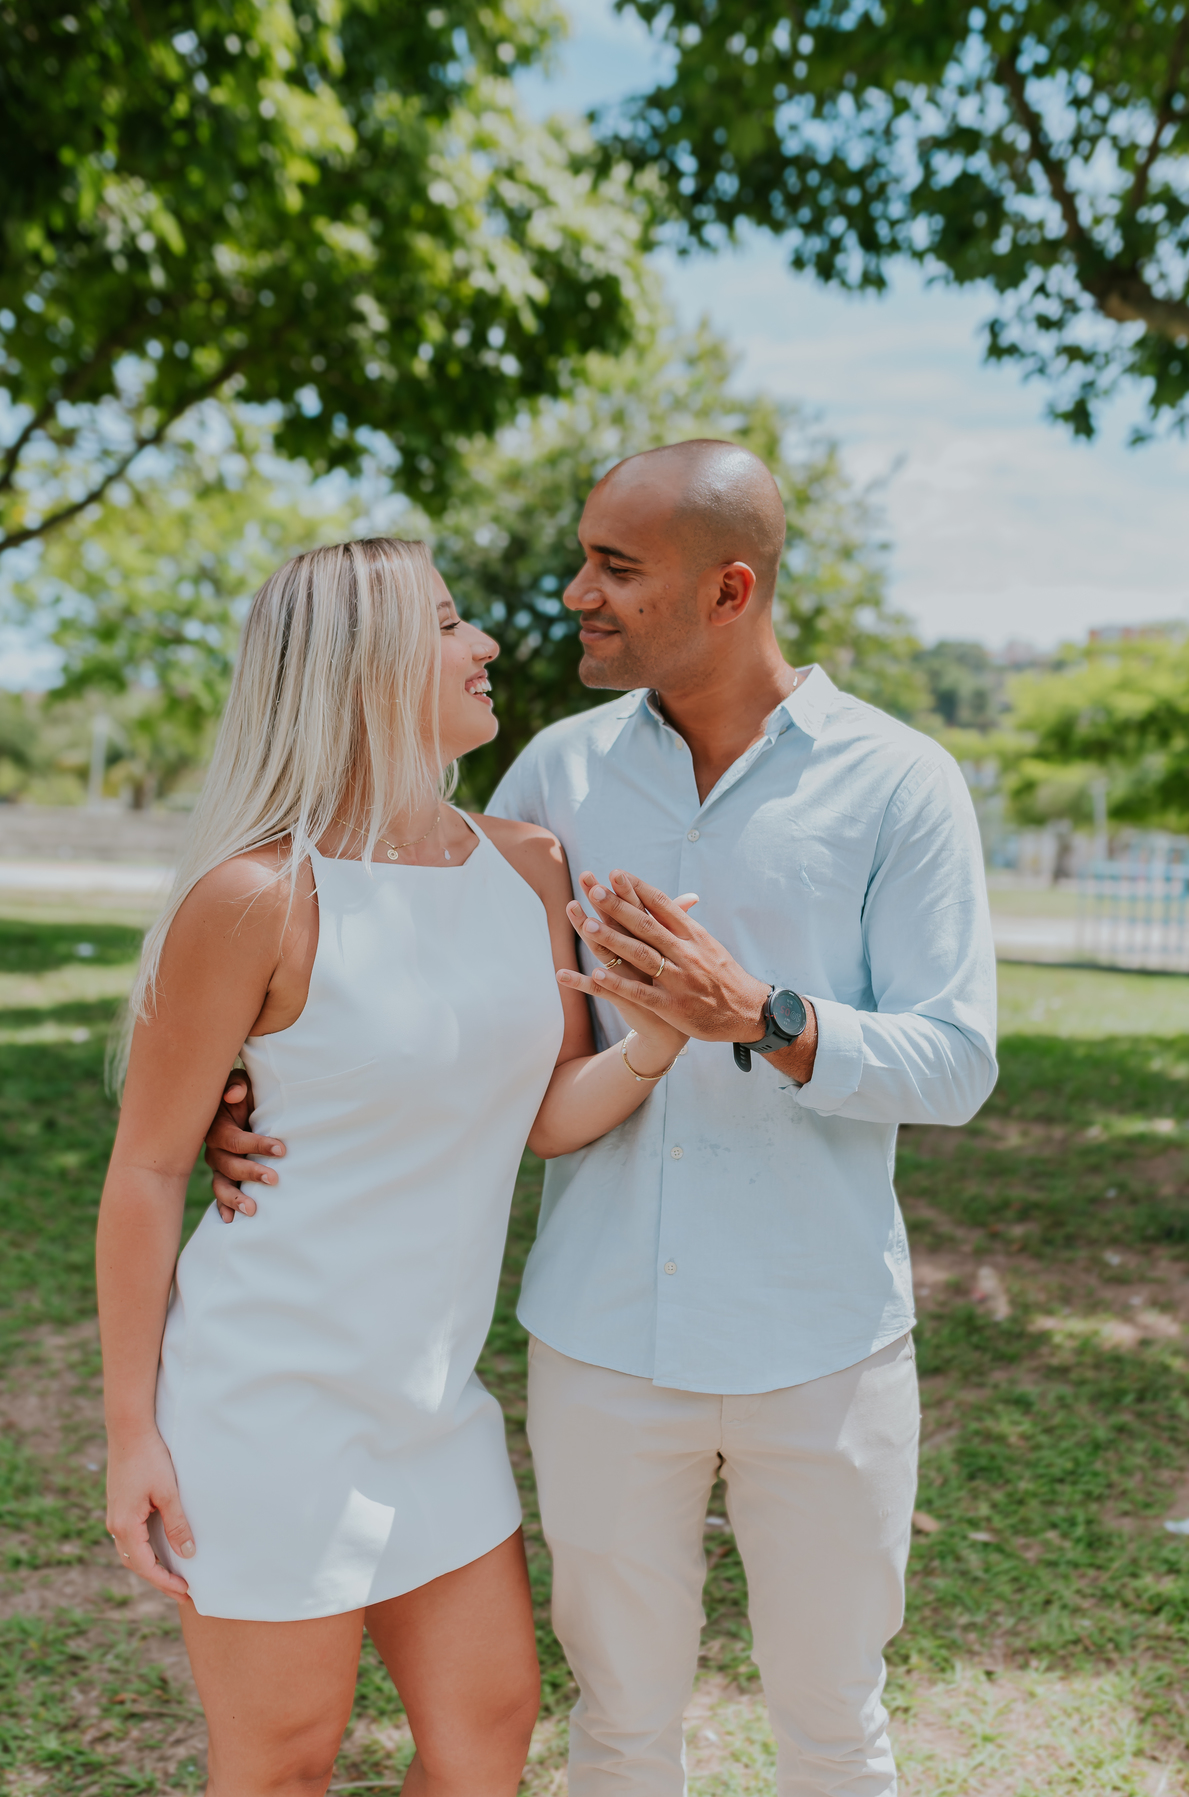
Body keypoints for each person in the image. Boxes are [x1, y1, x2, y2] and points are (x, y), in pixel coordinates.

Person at [207, 444, 997, 1797]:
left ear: (729, 589)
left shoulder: (900, 780)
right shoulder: (550, 780)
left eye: (614, 568)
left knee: (835, 1724)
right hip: (601, 1341)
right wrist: (256, 1092)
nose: (575, 593)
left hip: (826, 1344)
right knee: (618, 1727)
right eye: (584, 559)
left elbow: (958, 1063)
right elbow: (429, 984)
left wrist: (767, 1016)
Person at [98, 537, 692, 1797]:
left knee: (487, 1740)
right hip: (264, 1401)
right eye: (449, 622)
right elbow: (147, 1169)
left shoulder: (527, 863)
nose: (487, 643)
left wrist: (656, 1044)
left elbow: (544, 1113)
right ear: (357, 664)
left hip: (434, 1404)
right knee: (282, 1762)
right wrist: (129, 1433)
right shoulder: (255, 895)